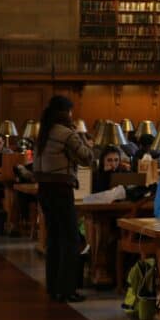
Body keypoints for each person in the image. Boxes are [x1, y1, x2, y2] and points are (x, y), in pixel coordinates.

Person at [32, 95, 94, 303]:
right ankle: (67, 290)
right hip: (61, 189)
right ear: (66, 112)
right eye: (71, 111)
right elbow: (87, 157)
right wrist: (81, 134)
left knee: (54, 238)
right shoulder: (67, 133)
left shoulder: (44, 132)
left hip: (44, 190)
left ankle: (53, 288)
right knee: (70, 240)